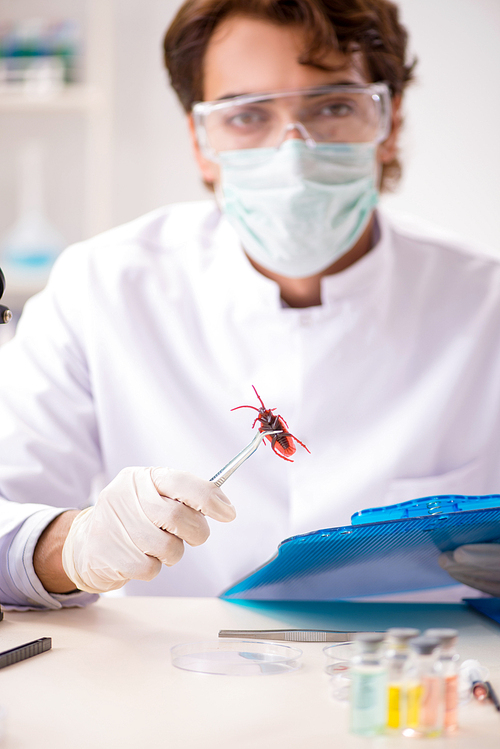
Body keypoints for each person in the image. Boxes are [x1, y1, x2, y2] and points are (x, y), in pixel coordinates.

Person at [0, 0, 499, 611]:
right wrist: (74, 546)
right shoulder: (99, 286)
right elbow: (5, 521)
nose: (294, 151)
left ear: (389, 122)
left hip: (418, 678)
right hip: (167, 680)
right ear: (200, 139)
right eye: (246, 115)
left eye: (334, 105)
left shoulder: (486, 304)